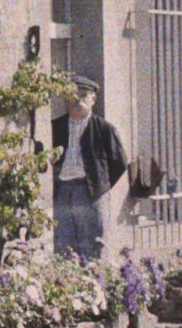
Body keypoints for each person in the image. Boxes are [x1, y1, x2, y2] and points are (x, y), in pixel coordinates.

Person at [50, 75, 127, 260]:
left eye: (83, 95)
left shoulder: (103, 128)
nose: (78, 100)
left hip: (90, 193)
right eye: (73, 96)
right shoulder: (55, 127)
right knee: (63, 245)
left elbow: (119, 163)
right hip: (63, 192)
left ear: (93, 99)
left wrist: (99, 185)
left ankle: (97, 285)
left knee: (93, 246)